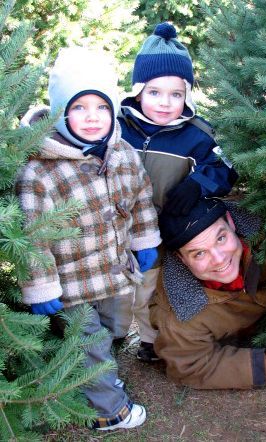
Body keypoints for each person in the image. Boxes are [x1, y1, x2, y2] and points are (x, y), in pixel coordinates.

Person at [15, 47, 162, 431]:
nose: (92, 117)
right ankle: (107, 412)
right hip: (72, 283)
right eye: (79, 107)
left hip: (114, 273)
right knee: (90, 343)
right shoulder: (39, 170)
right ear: (62, 111)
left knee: (114, 328)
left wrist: (144, 240)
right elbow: (32, 236)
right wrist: (41, 286)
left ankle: (96, 377)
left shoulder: (122, 151)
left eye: (101, 106)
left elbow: (141, 197)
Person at [118, 22, 238, 362]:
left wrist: (197, 182)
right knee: (113, 287)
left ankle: (150, 340)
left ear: (187, 94)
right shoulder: (117, 126)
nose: (165, 103)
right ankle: (103, 336)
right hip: (113, 222)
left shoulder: (198, 134)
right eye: (155, 92)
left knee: (149, 288)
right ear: (139, 89)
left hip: (158, 230)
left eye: (176, 94)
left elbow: (226, 167)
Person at [149, 198, 266, 389]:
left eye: (221, 238)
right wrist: (262, 368)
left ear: (231, 222)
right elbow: (189, 366)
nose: (220, 259)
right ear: (182, 259)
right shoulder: (180, 313)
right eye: (199, 254)